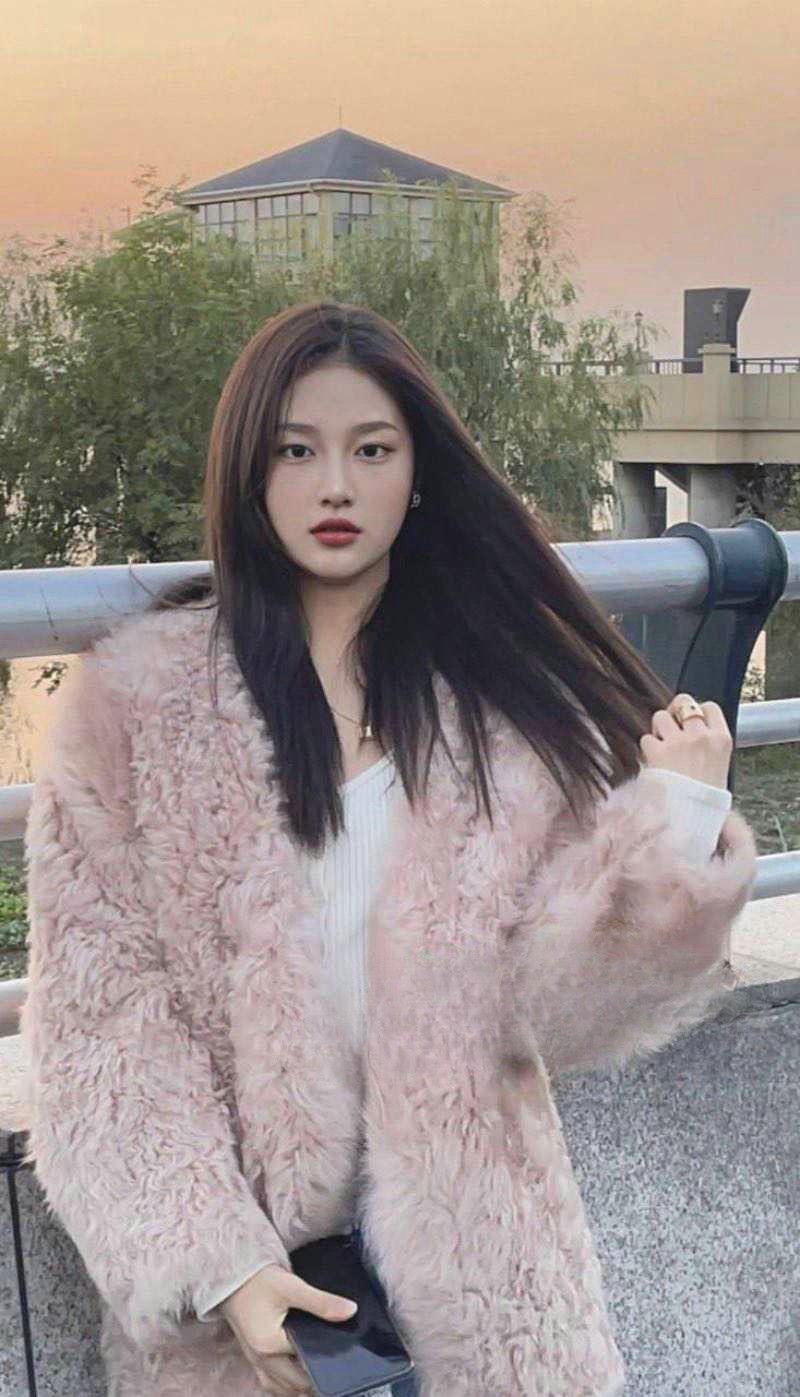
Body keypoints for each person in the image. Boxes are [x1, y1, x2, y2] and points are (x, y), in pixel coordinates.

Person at [20, 299, 757, 1397]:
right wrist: (221, 1267)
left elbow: (559, 1009)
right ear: (248, 473)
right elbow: (102, 1027)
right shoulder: (137, 706)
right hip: (250, 1318)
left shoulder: (502, 709)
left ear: (418, 476)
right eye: (295, 450)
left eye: (371, 450)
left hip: (492, 1292)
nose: (334, 486)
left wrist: (678, 822)